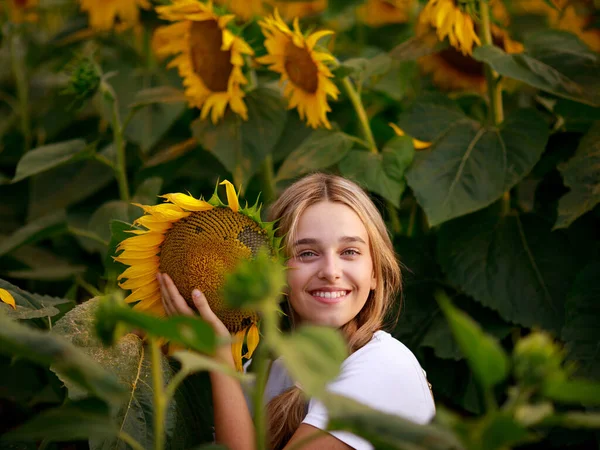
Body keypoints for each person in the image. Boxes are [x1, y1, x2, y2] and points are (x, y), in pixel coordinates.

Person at [157, 173, 436, 450]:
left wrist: (219, 357)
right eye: (307, 253)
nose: (330, 272)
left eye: (349, 251)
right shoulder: (266, 370)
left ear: (375, 272)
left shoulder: (384, 366)